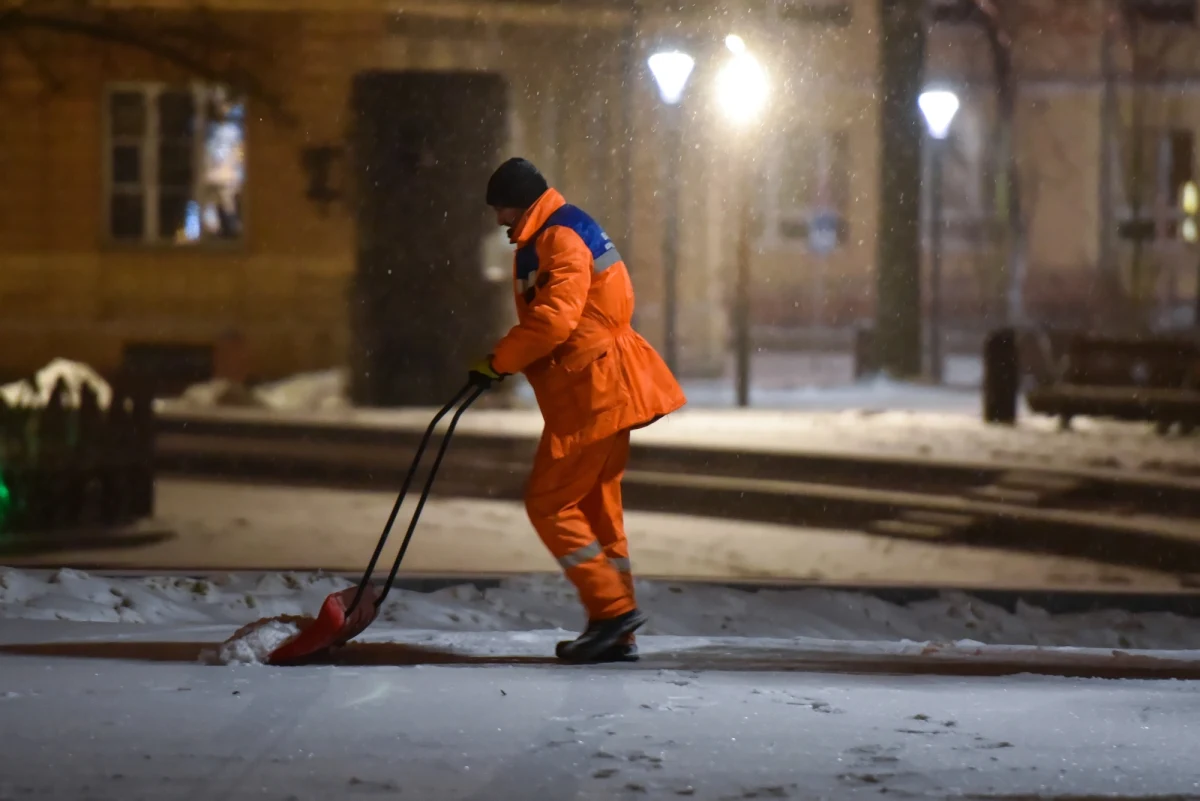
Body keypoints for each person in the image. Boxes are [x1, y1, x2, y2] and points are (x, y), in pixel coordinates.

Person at [468, 157, 687, 664]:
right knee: (596, 510)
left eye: (501, 208)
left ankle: (611, 612)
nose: (499, 219)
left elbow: (554, 321)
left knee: (548, 503)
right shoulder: (563, 227)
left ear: (517, 203)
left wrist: (499, 361)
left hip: (593, 390)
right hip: (603, 385)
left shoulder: (558, 237)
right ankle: (617, 626)